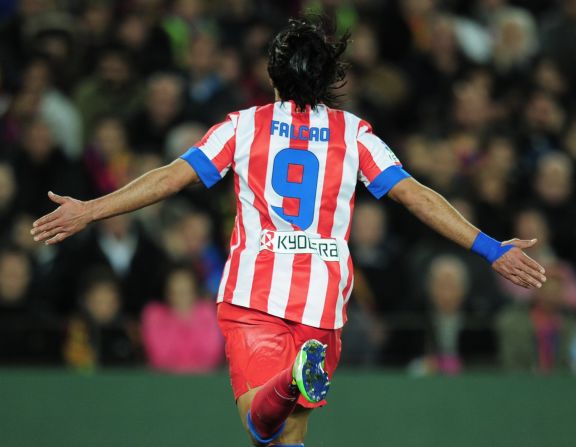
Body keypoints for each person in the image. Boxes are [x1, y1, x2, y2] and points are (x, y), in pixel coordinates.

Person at [31, 17, 546, 447]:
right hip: (321, 305)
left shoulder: (243, 125)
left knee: (261, 425)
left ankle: (293, 377)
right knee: (291, 436)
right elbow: (416, 195)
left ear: (273, 76)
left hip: (254, 296)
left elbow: (170, 178)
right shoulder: (355, 133)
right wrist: (489, 246)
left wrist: (91, 210)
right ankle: (298, 376)